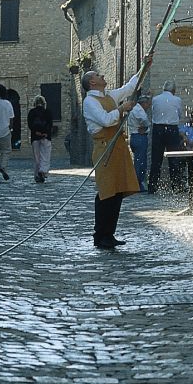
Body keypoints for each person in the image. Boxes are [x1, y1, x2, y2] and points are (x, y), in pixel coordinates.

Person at [82, 58, 151, 249]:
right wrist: (121, 109)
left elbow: (130, 87)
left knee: (118, 191)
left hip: (118, 147)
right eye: (97, 75)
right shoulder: (89, 101)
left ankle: (109, 233)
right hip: (105, 148)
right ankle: (100, 234)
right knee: (106, 191)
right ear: (92, 83)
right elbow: (105, 120)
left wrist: (144, 67)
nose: (102, 76)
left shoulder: (110, 95)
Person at [148, 81, 184, 193]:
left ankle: (153, 187)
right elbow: (179, 114)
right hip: (172, 129)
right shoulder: (177, 100)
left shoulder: (155, 99)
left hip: (158, 128)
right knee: (174, 158)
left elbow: (153, 112)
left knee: (156, 159)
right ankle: (176, 186)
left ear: (163, 89)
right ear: (173, 90)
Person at [127, 94, 152, 192]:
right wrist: (147, 125)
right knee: (140, 162)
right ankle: (137, 183)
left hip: (136, 136)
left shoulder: (136, 109)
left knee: (139, 160)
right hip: (139, 137)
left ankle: (138, 182)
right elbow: (144, 121)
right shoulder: (138, 110)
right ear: (144, 103)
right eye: (148, 104)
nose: (149, 106)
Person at [27, 95, 54, 183]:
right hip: (46, 136)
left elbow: (30, 124)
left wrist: (36, 132)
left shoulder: (31, 112)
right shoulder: (48, 112)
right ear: (44, 103)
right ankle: (43, 171)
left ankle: (37, 175)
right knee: (45, 155)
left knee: (37, 157)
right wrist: (45, 133)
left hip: (35, 137)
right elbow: (50, 124)